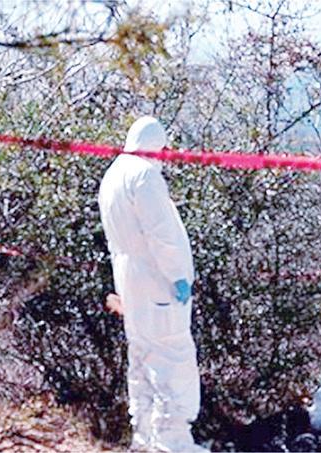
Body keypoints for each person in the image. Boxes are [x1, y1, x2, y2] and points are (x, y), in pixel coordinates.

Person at [98, 116, 203, 452]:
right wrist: (178, 276)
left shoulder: (113, 175)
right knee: (172, 357)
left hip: (130, 281)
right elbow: (162, 234)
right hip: (158, 282)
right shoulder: (143, 175)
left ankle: (144, 438)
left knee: (142, 357)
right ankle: (174, 442)